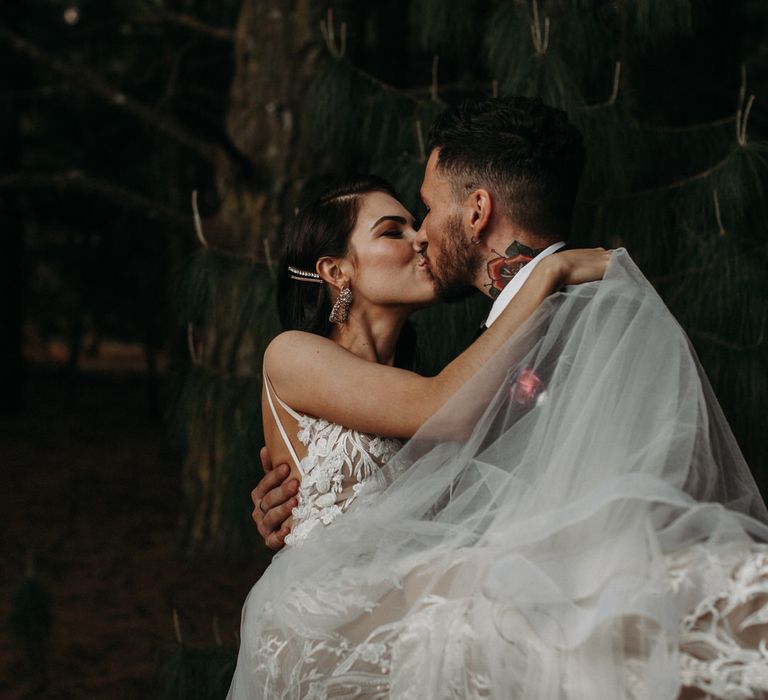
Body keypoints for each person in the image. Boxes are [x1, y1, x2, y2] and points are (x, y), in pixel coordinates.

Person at [230, 97, 768, 699]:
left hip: (404, 594)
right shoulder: (291, 352)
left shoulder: (442, 380)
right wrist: (548, 273)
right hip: (328, 613)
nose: (420, 237)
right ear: (336, 272)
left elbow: (482, 447)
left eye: (420, 216)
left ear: (478, 208)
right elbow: (442, 409)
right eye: (393, 229)